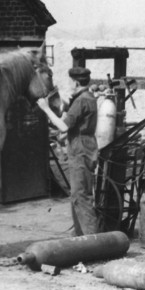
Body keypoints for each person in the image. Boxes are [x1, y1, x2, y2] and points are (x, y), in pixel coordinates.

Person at [37, 66, 99, 236]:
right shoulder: (86, 97)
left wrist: (46, 108)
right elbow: (74, 117)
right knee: (76, 195)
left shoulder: (81, 101)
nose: (69, 84)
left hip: (81, 149)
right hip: (85, 146)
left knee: (81, 197)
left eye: (70, 81)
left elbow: (63, 126)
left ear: (76, 82)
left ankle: (93, 241)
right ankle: (79, 237)